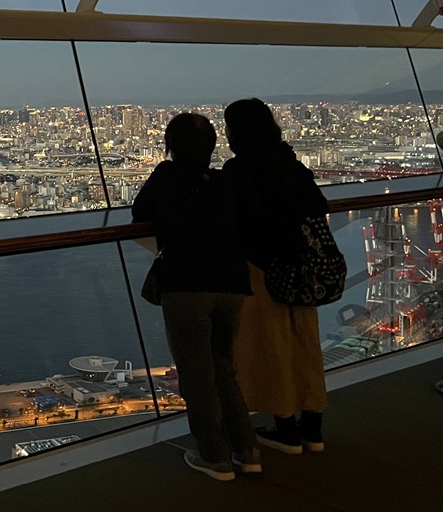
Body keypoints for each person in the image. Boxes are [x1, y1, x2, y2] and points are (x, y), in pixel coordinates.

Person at [132, 113, 259, 481]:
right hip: (232, 284)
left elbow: (140, 216)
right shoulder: (226, 181)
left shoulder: (166, 177)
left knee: (196, 372)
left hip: (186, 284)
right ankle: (247, 450)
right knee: (223, 366)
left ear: (170, 146)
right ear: (212, 147)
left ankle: (214, 454)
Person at [222, 98, 328, 454]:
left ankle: (286, 428)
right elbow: (318, 206)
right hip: (302, 266)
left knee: (273, 347)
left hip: (262, 268)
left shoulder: (238, 171)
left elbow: (234, 220)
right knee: (305, 342)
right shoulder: (291, 164)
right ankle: (312, 428)